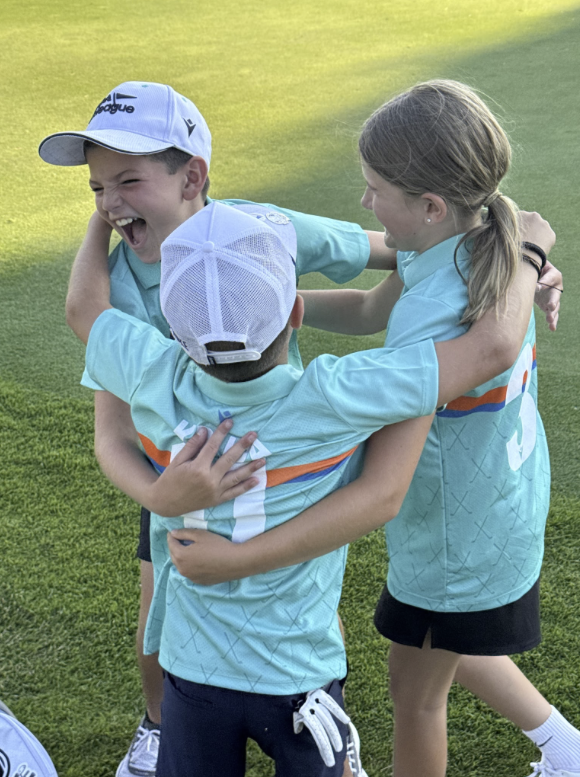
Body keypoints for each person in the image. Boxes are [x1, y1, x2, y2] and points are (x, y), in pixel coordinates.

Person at [168, 81, 575, 777]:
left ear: (431, 205)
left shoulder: (434, 317)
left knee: (416, 696)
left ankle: (565, 749)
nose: (364, 202)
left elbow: (381, 487)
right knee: (441, 654)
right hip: (493, 509)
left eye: (376, 189)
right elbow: (365, 308)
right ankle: (566, 749)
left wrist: (236, 558)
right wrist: (250, 307)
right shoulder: (473, 241)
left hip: (452, 537)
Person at [39, 79, 401, 777]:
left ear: (192, 177)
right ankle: (159, 725)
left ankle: (323, 718)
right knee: (161, 615)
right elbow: (111, 433)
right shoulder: (117, 287)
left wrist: (475, 254)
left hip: (281, 466)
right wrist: (159, 495)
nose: (110, 202)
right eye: (96, 188)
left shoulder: (265, 229)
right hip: (173, 484)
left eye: (129, 181)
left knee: (303, 598)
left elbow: (385, 248)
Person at [68, 199, 446, 776]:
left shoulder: (151, 373)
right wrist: (522, 257)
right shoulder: (337, 395)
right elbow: (483, 351)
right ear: (296, 312)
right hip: (299, 673)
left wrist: (102, 218)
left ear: (171, 328)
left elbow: (85, 309)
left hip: (193, 670)